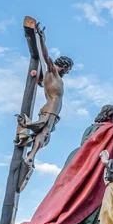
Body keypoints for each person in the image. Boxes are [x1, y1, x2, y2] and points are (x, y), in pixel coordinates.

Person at [0, 105, 113, 224]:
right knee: (90, 197)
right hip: (95, 165)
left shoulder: (90, 128)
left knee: (69, 195)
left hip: (77, 160)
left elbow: (86, 144)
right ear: (112, 116)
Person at [14, 23, 74, 192]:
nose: (67, 72)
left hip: (53, 111)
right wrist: (41, 38)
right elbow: (46, 56)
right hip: (51, 109)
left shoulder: (50, 77)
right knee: (44, 133)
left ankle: (31, 156)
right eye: (68, 68)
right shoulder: (53, 72)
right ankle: (30, 157)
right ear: (64, 65)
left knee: (44, 135)